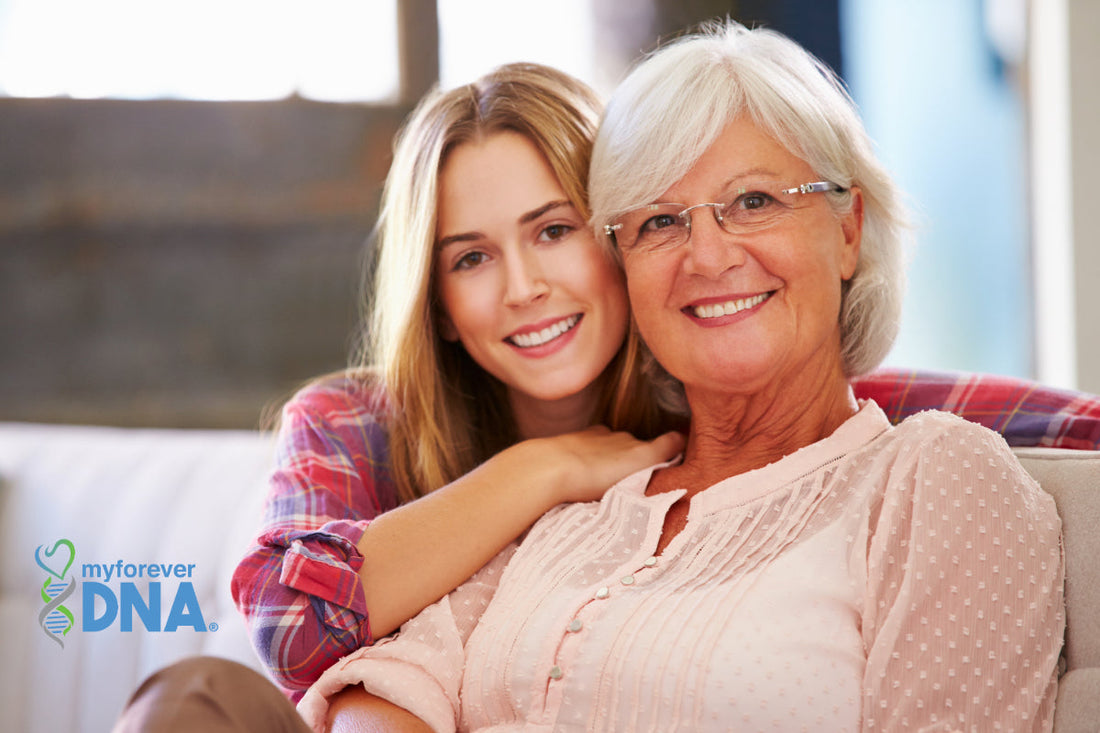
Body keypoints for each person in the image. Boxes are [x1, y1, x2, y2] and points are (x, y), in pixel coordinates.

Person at [296, 21, 1065, 732]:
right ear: (623, 264)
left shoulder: (933, 478)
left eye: (755, 201)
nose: (707, 256)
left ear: (848, 231)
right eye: (660, 220)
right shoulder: (583, 498)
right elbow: (387, 678)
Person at [229, 61, 683, 700]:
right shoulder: (349, 423)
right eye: (471, 259)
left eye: (554, 230)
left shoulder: (708, 400)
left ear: (620, 235)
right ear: (438, 304)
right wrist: (543, 468)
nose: (524, 289)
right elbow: (290, 628)